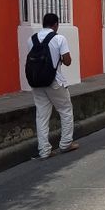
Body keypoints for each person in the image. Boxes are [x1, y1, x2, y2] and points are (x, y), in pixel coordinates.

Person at [27, 12, 79, 159]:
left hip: (36, 82)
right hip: (55, 81)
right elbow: (68, 61)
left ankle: (44, 151)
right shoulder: (59, 38)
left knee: (41, 116)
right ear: (55, 25)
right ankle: (66, 143)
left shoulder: (31, 39)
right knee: (65, 110)